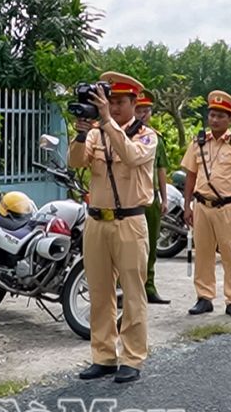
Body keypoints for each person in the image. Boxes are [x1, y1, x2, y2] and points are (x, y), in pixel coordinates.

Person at [68, 72, 157, 384]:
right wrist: (81, 134)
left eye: (120, 102)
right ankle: (103, 355)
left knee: (133, 293)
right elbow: (76, 162)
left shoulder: (146, 135)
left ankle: (132, 358)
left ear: (134, 103)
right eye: (109, 102)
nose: (113, 107)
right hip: (96, 221)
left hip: (130, 222)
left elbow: (132, 157)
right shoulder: (95, 134)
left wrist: (107, 121)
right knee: (99, 293)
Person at [181, 90, 231, 320]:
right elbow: (191, 175)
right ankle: (204, 297)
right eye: (212, 115)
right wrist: (187, 205)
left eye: (220, 116)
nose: (214, 120)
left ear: (230, 119)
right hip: (202, 205)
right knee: (203, 253)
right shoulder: (198, 142)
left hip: (228, 207)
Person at [135, 90, 171, 305]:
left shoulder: (155, 137)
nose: (143, 114)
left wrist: (164, 198)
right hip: (131, 199)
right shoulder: (123, 135)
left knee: (151, 245)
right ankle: (123, 288)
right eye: (139, 110)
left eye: (146, 110)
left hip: (151, 199)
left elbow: (161, 169)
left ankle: (149, 286)